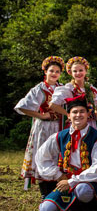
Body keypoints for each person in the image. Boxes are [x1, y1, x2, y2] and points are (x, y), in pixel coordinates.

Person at [36, 95, 97, 211]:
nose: (78, 115)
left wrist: (72, 181)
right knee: (45, 210)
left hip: (88, 181)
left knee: (83, 190)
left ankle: (88, 208)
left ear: (87, 115)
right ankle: (73, 206)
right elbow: (41, 157)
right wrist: (58, 175)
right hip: (65, 180)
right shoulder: (60, 136)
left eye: (82, 112)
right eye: (74, 112)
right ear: (68, 115)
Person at [14, 56, 65, 195]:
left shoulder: (63, 88)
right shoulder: (40, 89)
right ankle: (45, 193)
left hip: (60, 126)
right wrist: (41, 115)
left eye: (57, 71)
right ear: (45, 72)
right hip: (44, 127)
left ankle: (57, 191)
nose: (54, 74)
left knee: (57, 156)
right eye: (51, 71)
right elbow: (22, 106)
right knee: (44, 155)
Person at [50, 56, 97, 130]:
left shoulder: (90, 88)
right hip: (75, 123)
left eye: (81, 70)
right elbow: (53, 105)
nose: (78, 73)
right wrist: (69, 115)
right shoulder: (68, 88)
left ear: (86, 71)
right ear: (71, 73)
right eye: (75, 71)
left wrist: (95, 115)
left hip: (90, 124)